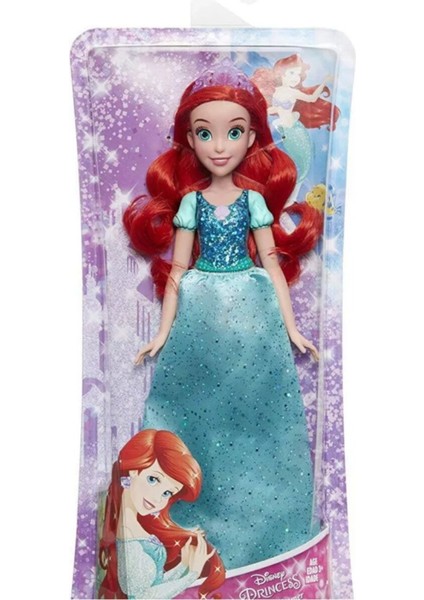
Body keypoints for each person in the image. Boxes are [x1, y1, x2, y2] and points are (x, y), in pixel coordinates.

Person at [123, 59, 322, 570]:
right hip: (199, 313)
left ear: (251, 137)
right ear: (189, 140)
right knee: (193, 415)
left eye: (233, 132)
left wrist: (292, 327)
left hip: (252, 313)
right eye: (204, 132)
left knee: (261, 416)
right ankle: (182, 538)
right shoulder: (190, 203)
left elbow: (272, 264)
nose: (218, 145)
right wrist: (161, 333)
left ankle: (268, 542)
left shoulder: (253, 201)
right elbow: (178, 269)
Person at [98, 429, 224, 598]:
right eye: (153, 479)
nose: (157, 498)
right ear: (135, 470)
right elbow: (143, 597)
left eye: (167, 493)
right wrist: (191, 574)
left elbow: (153, 585)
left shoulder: (131, 528)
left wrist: (185, 566)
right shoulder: (127, 535)